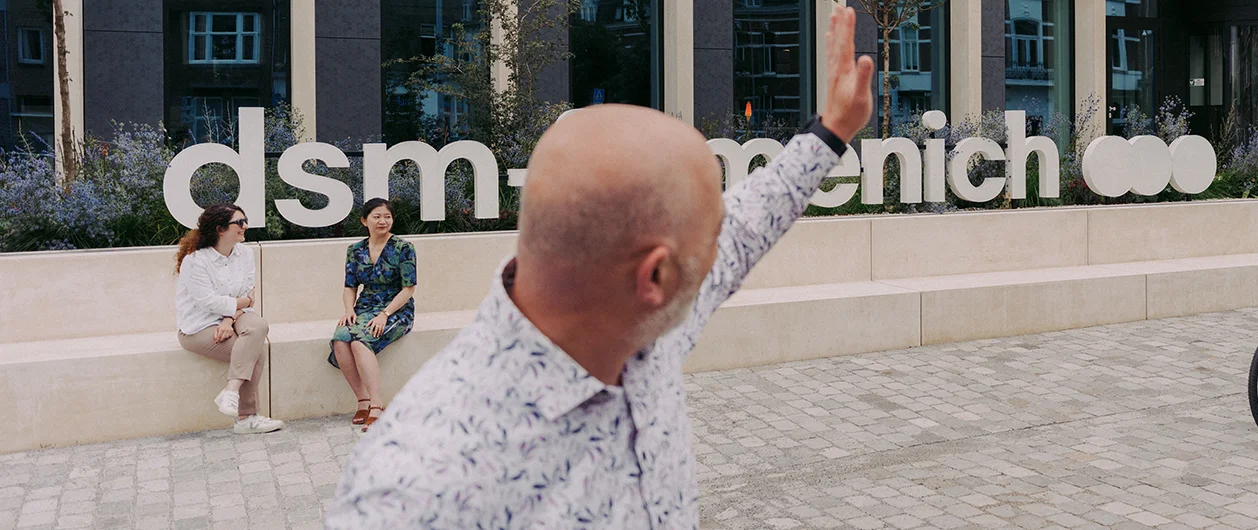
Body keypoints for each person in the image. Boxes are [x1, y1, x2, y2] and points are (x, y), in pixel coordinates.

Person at [326, 6, 874, 528]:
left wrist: (832, 130)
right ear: (654, 279)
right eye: (712, 235)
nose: (724, 250)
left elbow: (751, 222)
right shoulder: (413, 486)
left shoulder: (641, 327)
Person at [173, 203, 285, 435]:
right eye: (239, 222)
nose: (245, 226)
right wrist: (243, 303)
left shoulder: (246, 254)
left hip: (235, 317)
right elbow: (210, 302)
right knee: (255, 351)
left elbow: (247, 292)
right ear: (220, 229)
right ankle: (246, 418)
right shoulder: (195, 261)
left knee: (259, 326)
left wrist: (228, 320)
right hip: (199, 325)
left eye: (246, 221)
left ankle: (231, 391)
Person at [330, 198, 417, 432]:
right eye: (377, 216)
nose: (382, 221)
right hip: (365, 306)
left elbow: (408, 289)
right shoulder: (355, 250)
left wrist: (385, 314)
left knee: (360, 342)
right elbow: (350, 286)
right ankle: (363, 401)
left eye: (387, 217)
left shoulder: (403, 248)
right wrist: (349, 310)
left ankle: (377, 405)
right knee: (340, 339)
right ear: (364, 221)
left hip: (396, 309)